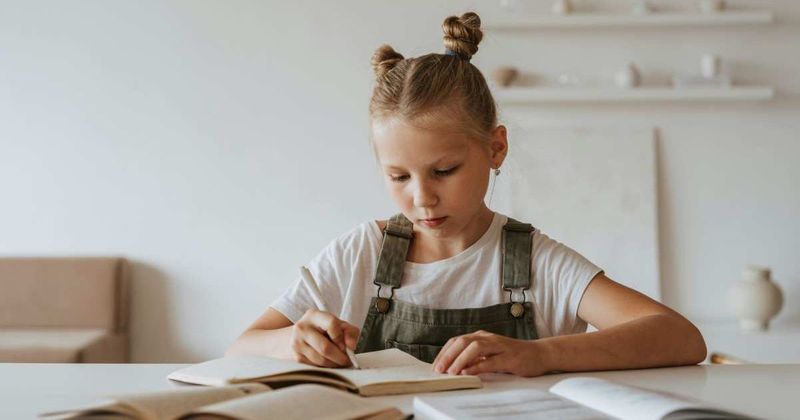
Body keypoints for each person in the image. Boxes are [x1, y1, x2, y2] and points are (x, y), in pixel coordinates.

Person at [227, 12, 706, 377]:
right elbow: (242, 346)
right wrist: (292, 342)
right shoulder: (360, 254)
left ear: (495, 148)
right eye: (398, 177)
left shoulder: (535, 261)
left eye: (443, 170)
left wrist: (539, 354)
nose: (422, 198)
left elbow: (681, 338)